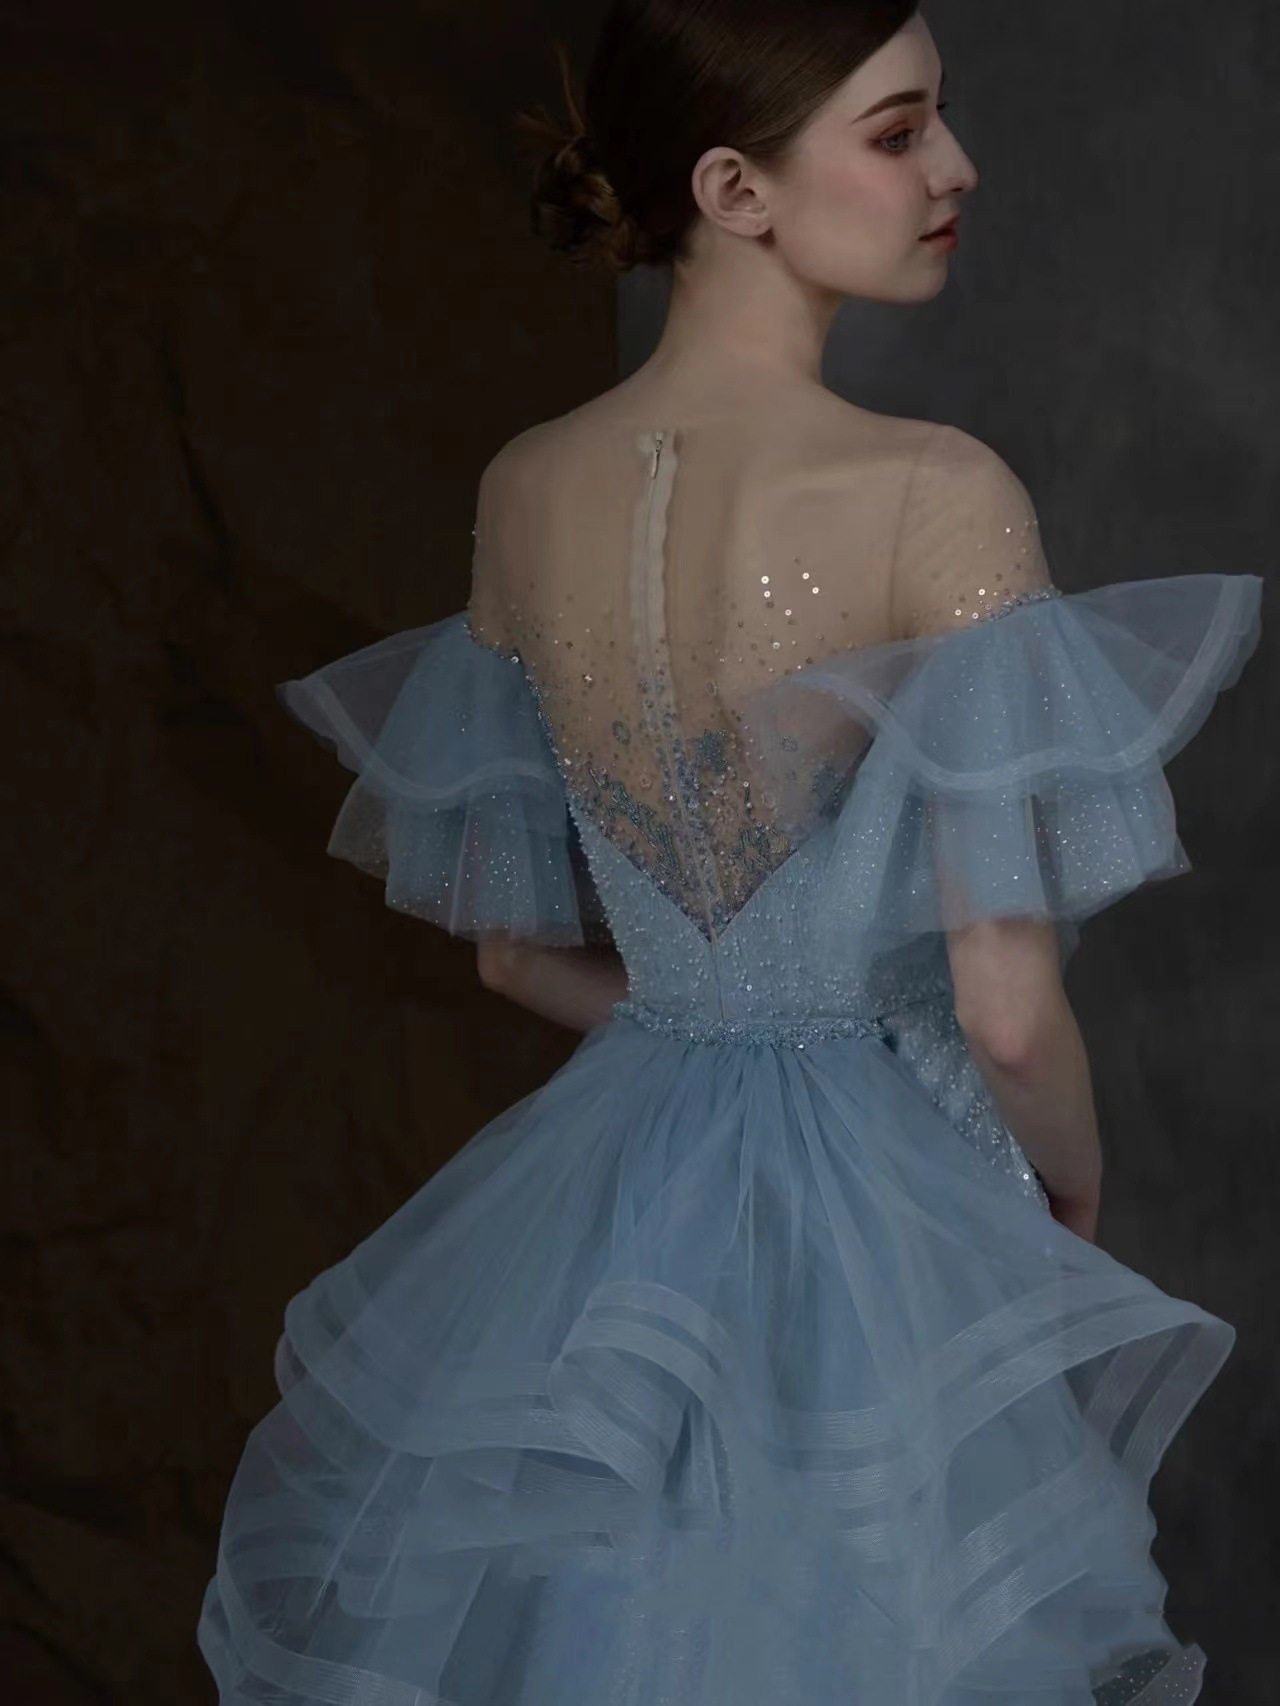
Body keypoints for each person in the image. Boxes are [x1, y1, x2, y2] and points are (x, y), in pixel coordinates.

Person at [197, 6, 1263, 1703]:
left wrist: (710, 1020)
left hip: (623, 1201)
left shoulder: (526, 489)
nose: (957, 167)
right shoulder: (933, 491)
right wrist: (1065, 1187)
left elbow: (510, 951)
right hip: (891, 1201)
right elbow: (1003, 1006)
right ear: (733, 189)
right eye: (899, 131)